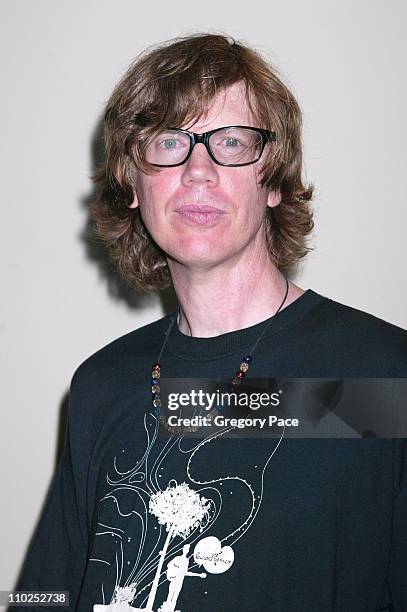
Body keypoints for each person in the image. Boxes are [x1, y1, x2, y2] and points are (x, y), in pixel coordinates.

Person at [15, 33, 407, 612]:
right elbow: (43, 595)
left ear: (271, 180)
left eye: (231, 142)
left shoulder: (379, 379)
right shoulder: (103, 386)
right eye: (169, 142)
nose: (199, 170)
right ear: (132, 184)